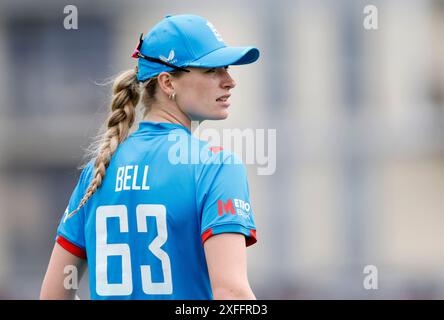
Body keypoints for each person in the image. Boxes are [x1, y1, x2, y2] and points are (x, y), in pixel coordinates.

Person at [40, 14, 259, 300]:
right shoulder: (216, 166)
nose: (229, 81)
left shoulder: (97, 172)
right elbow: (231, 294)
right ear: (168, 83)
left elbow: (52, 295)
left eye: (226, 69)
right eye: (211, 70)